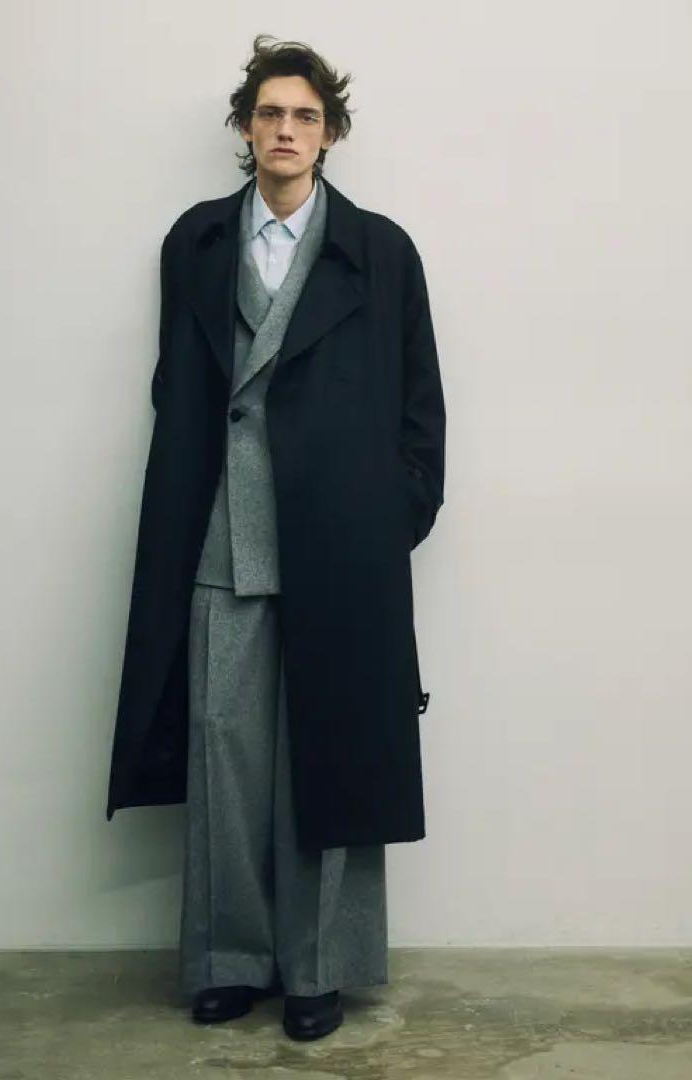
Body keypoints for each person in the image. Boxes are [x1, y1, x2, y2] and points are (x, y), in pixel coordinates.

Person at [105, 34, 446, 1042]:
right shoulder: (198, 241)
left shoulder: (381, 252)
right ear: (246, 129)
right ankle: (227, 959)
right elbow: (177, 386)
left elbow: (420, 408)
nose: (285, 130)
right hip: (221, 541)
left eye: (304, 116)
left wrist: (388, 520)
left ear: (329, 134)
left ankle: (316, 968)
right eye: (269, 114)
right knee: (224, 756)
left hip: (340, 546)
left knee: (326, 762)